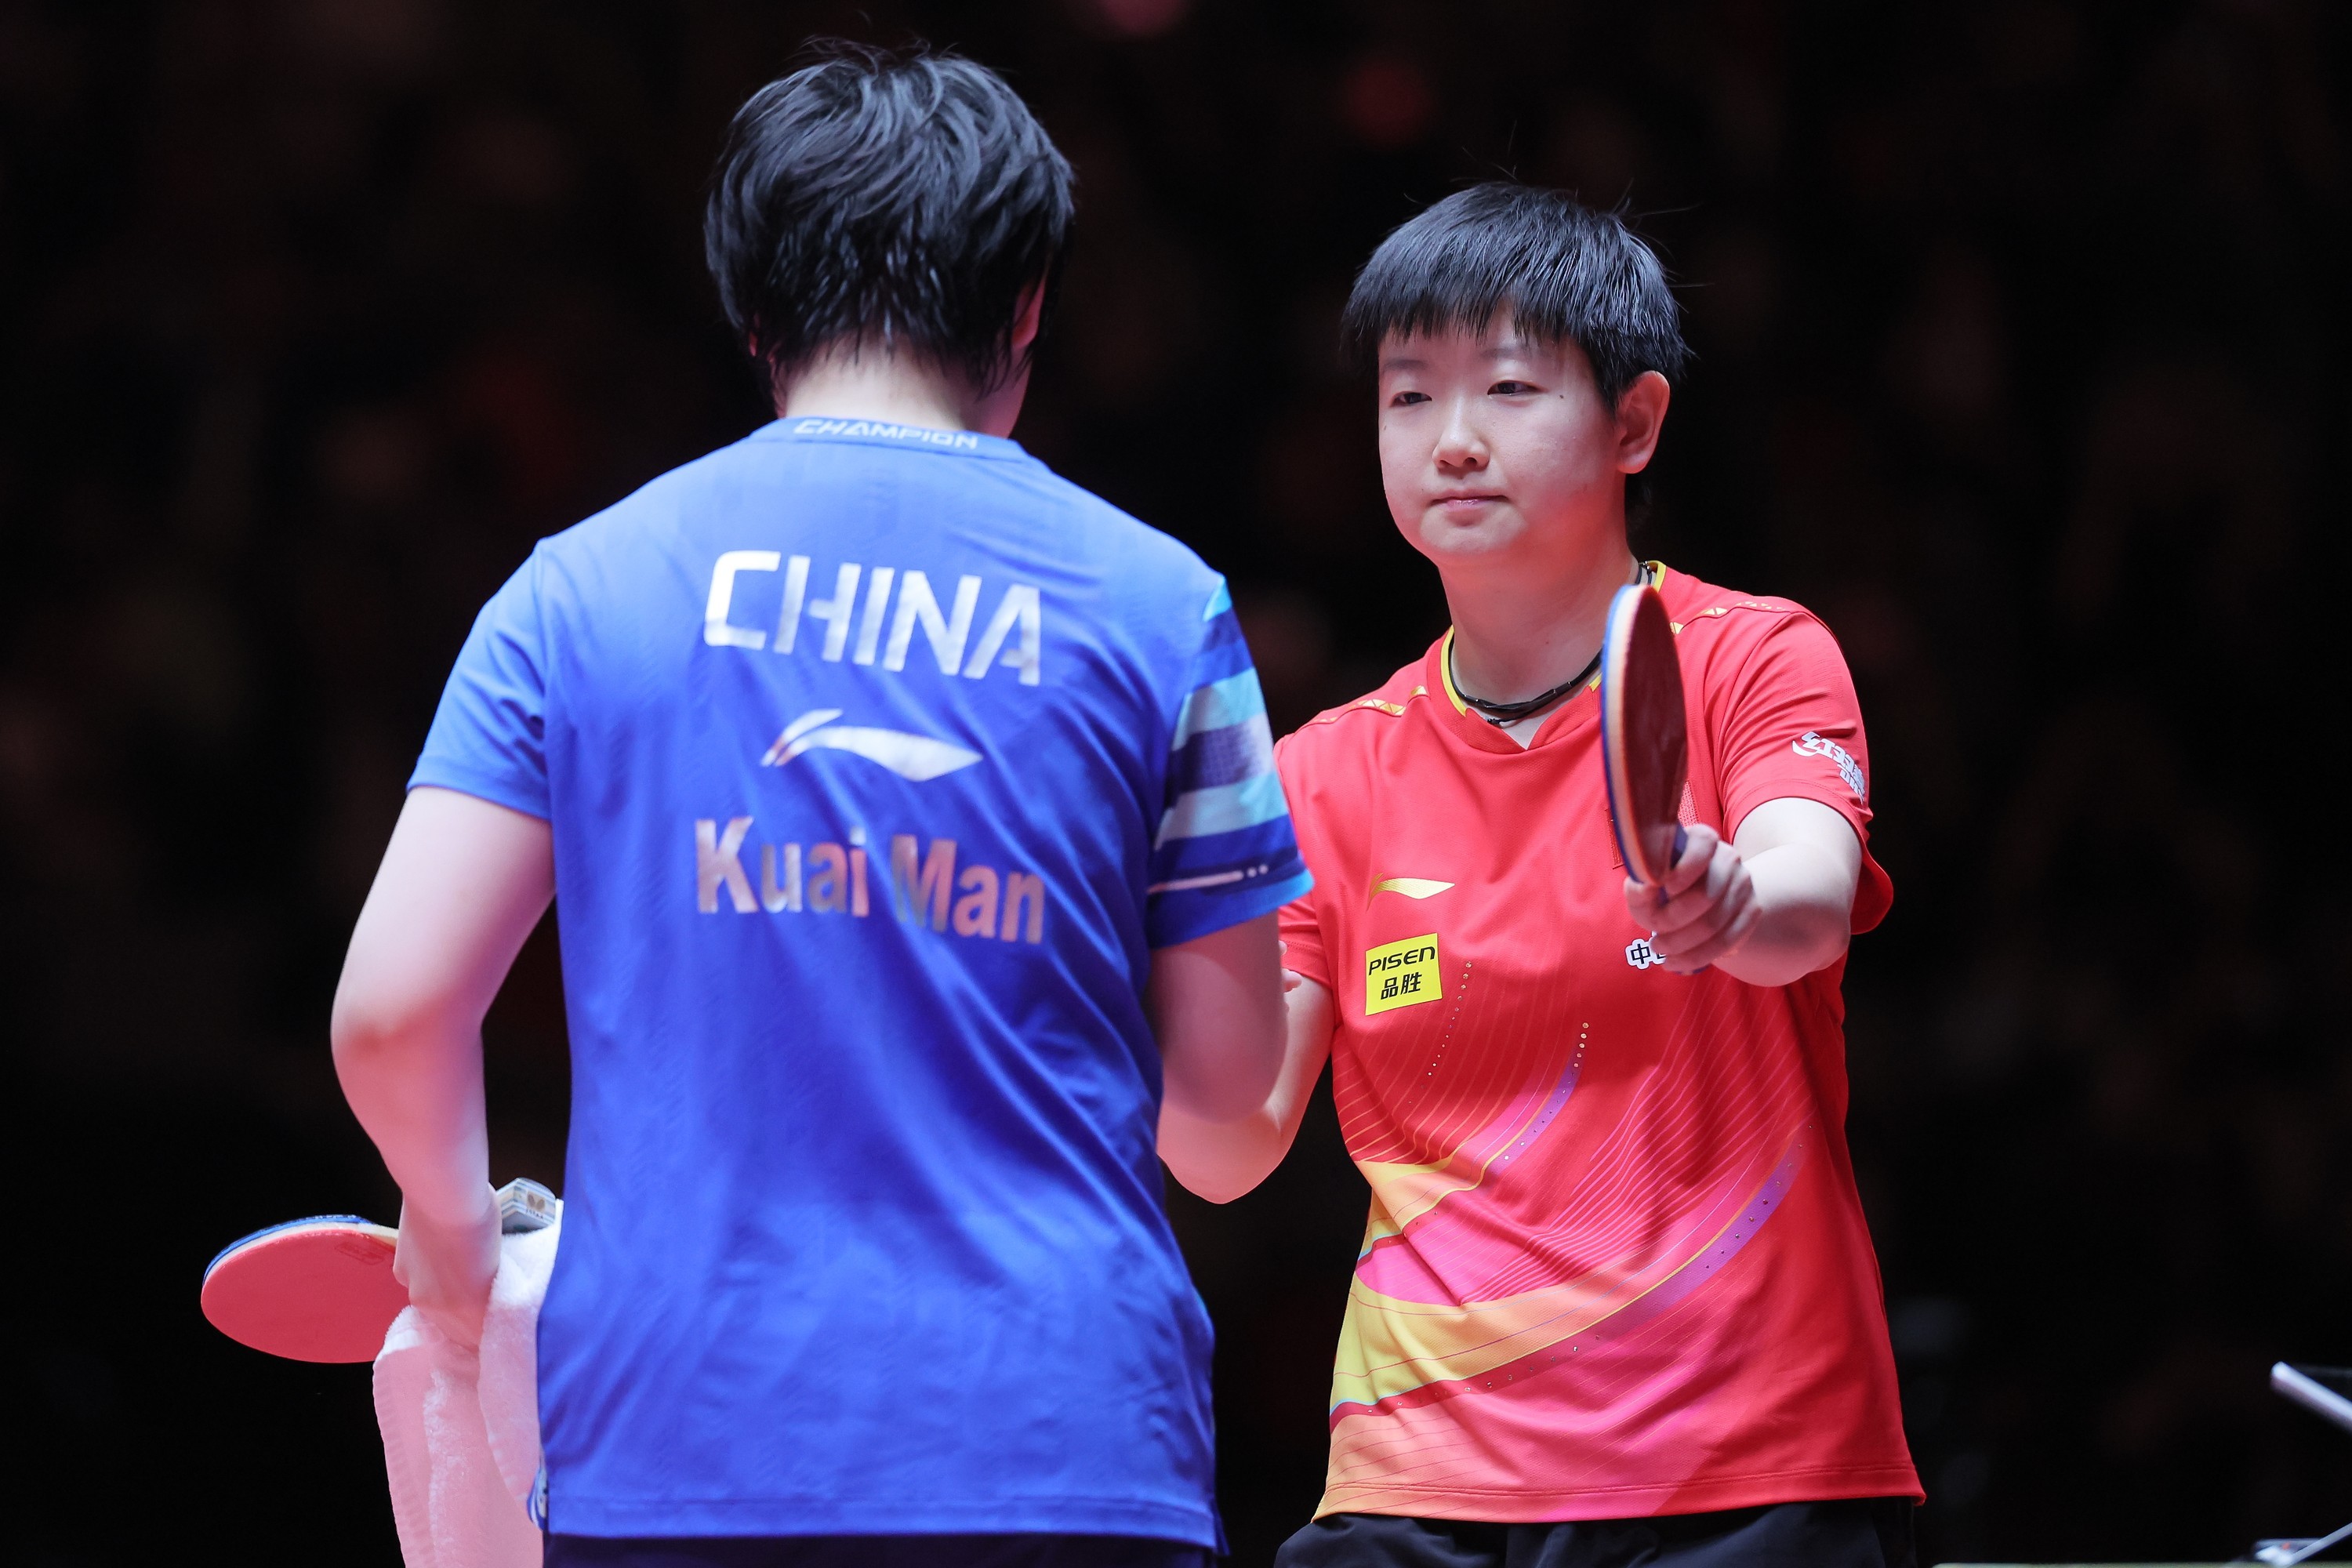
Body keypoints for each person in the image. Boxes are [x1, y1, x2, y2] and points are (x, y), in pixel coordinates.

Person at [330, 41, 1308, 1568]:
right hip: (1058, 1450)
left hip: (676, 1443)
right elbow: (1226, 1105)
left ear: (755, 311)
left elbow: (392, 1013)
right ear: (1027, 305)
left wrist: (453, 1232)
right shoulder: (1164, 607)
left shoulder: (577, 592)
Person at [1158, 183, 1921, 1567]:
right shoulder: (1323, 772)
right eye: (1408, 398)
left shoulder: (1752, 656)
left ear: (1635, 422)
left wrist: (1730, 899)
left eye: (1509, 388)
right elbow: (1225, 1148)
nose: (1452, 438)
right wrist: (1098, 960)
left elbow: (1806, 901)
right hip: (1421, 1487)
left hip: (1745, 1468)